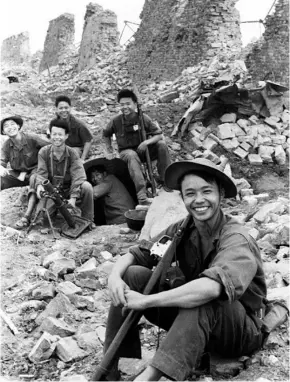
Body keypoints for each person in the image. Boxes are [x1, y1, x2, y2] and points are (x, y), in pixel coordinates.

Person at [103, 158, 267, 381]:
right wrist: (114, 277)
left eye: (206, 191)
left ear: (219, 194)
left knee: (203, 298)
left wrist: (146, 301)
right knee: (132, 275)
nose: (198, 200)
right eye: (190, 193)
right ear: (183, 198)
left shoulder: (236, 238)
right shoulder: (183, 228)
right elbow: (137, 254)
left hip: (239, 331)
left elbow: (211, 289)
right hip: (195, 323)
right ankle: (113, 367)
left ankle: (150, 377)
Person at [102, 89, 172, 206]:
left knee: (162, 145)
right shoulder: (116, 121)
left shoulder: (143, 118)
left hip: (144, 150)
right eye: (122, 104)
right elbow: (105, 134)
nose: (125, 107)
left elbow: (158, 135)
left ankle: (167, 181)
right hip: (127, 154)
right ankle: (142, 195)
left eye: (128, 104)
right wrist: (109, 149)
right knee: (131, 155)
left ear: (134, 104)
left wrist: (147, 143)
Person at [35, 118, 94, 224]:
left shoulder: (73, 153)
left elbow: (78, 176)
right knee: (43, 218)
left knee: (87, 187)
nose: (57, 138)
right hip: (52, 190)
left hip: (69, 189)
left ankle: (88, 220)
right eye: (54, 134)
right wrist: (39, 186)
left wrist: (73, 198)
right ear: (50, 135)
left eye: (60, 134)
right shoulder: (43, 152)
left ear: (66, 136)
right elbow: (41, 173)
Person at [0, 115, 49, 227]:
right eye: (6, 126)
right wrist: (1, 167)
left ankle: (26, 217)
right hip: (20, 174)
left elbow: (50, 147)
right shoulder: (7, 145)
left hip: (36, 171)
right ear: (3, 131)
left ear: (18, 126)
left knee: (34, 179)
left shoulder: (32, 138)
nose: (10, 127)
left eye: (12, 124)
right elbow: (2, 161)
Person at [46, 95, 93, 161]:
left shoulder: (79, 124)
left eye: (66, 108)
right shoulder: (53, 123)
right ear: (56, 109)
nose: (64, 110)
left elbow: (88, 141)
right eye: (61, 108)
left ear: (70, 108)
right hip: (61, 147)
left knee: (71, 153)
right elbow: (50, 137)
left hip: (77, 149)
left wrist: (82, 159)